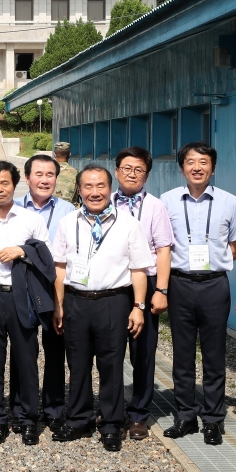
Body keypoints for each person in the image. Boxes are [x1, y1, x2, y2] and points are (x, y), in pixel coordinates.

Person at [51, 164, 150, 452]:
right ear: (79, 190)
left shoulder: (129, 223)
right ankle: (79, 418)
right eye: (88, 187)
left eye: (100, 186)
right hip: (76, 301)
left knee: (111, 365)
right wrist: (58, 305)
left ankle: (110, 424)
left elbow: (139, 269)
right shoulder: (69, 222)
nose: (95, 192)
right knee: (78, 364)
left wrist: (138, 306)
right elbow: (60, 267)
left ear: (110, 188)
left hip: (114, 302)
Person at [160, 142, 236, 445]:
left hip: (214, 285)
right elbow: (162, 245)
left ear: (213, 167)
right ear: (182, 166)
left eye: (204, 162)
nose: (197, 167)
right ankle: (185, 416)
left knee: (214, 355)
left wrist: (217, 263)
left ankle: (212, 420)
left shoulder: (230, 202)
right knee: (182, 355)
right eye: (191, 161)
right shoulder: (167, 200)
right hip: (179, 283)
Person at [0, 160, 54, 446]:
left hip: (22, 296)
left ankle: (27, 419)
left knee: (26, 359)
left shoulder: (30, 218)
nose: (0, 189)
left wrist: (22, 250)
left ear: (15, 185)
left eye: (5, 183)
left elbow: (46, 257)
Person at [112, 147, 174, 440]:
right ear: (116, 171)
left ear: (147, 174)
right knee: (110, 351)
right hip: (112, 286)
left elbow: (164, 249)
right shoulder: (105, 202)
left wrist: (161, 289)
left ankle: (138, 415)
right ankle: (110, 410)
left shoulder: (155, 206)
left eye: (138, 170)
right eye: (126, 168)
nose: (131, 174)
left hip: (146, 284)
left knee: (143, 353)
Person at [14, 154, 75, 432]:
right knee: (22, 349)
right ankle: (20, 408)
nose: (44, 180)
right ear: (27, 178)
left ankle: (53, 409)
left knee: (55, 350)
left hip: (56, 286)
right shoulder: (12, 208)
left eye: (49, 174)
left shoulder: (69, 210)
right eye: (38, 174)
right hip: (22, 286)